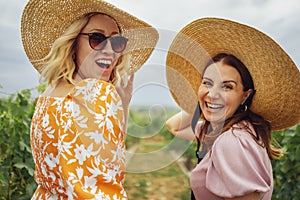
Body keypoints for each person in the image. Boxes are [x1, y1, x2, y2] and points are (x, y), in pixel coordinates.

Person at [21, 0, 158, 199]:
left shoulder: (48, 96)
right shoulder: (99, 95)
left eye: (117, 42)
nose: (110, 50)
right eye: (97, 38)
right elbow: (105, 188)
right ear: (74, 42)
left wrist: (124, 104)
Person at [165, 18, 299, 200]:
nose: (214, 93)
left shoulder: (231, 141)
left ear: (245, 95)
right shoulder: (227, 130)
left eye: (227, 86)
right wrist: (203, 100)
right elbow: (173, 126)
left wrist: (207, 99)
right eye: (207, 82)